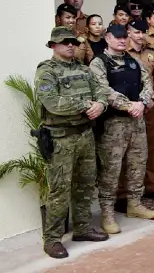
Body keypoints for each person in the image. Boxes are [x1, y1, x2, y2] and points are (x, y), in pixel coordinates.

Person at [35, 27, 111, 259]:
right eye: (65, 42)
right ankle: (52, 239)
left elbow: (101, 92)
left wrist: (100, 105)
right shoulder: (46, 71)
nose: (70, 45)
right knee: (60, 190)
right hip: (61, 138)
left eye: (73, 42)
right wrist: (86, 105)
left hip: (85, 135)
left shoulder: (83, 69)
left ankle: (83, 228)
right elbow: (52, 103)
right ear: (53, 45)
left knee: (85, 184)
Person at [89, 24, 154, 234]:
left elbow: (148, 82)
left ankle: (134, 204)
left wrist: (142, 103)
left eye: (124, 37)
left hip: (136, 121)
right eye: (117, 37)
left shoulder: (133, 61)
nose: (121, 40)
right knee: (111, 169)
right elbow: (103, 89)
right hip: (113, 123)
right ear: (107, 38)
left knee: (138, 163)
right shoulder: (99, 63)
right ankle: (107, 214)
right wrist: (129, 106)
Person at [125, 19, 154, 201]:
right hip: (129, 108)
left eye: (143, 32)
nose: (140, 36)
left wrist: (153, 99)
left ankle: (152, 186)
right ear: (128, 33)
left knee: (151, 148)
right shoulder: (121, 53)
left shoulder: (152, 53)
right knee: (126, 151)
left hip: (150, 107)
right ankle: (123, 193)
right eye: (136, 32)